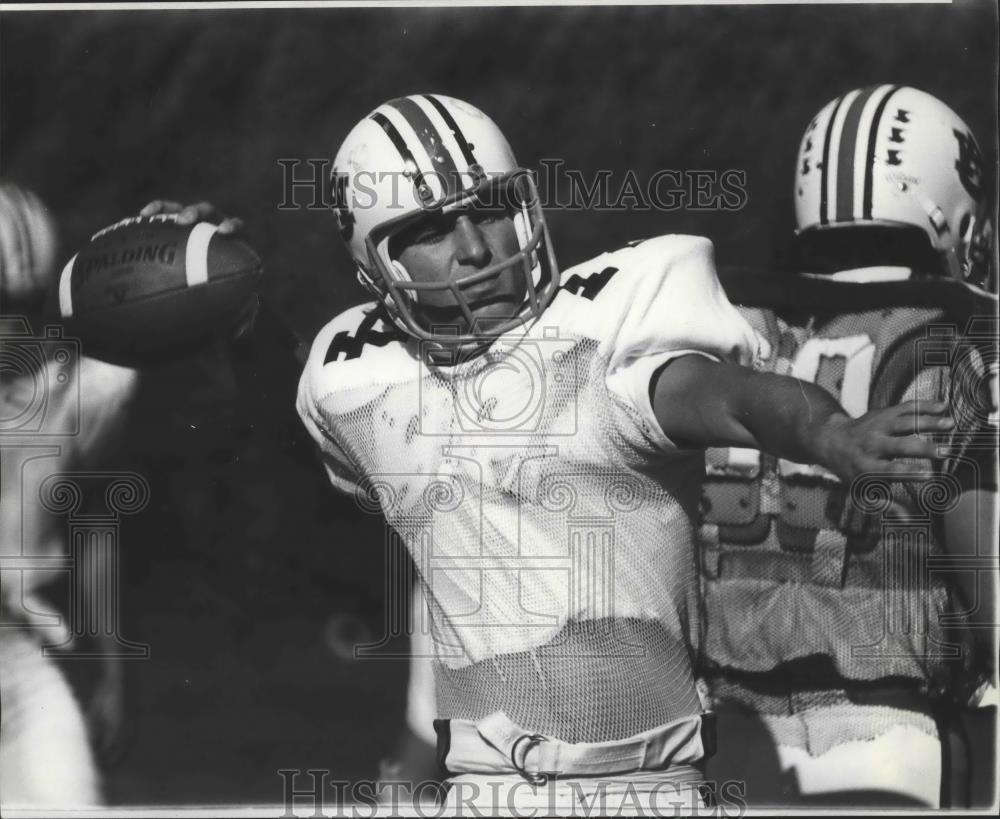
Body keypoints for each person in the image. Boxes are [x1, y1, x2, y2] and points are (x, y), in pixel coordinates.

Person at [285, 93, 956, 813]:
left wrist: (827, 434)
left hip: (651, 788)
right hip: (484, 790)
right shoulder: (356, 382)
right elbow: (289, 393)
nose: (476, 249)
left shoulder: (593, 348)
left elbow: (729, 394)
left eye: (488, 211)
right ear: (374, 267)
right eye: (431, 230)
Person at [699, 85, 998, 808]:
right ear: (949, 212)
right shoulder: (951, 338)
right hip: (893, 739)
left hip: (730, 744)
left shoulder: (730, 331)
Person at [1, 181, 139, 807]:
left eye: (21, 306)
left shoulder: (80, 387)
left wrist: (110, 669)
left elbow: (94, 532)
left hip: (22, 660)